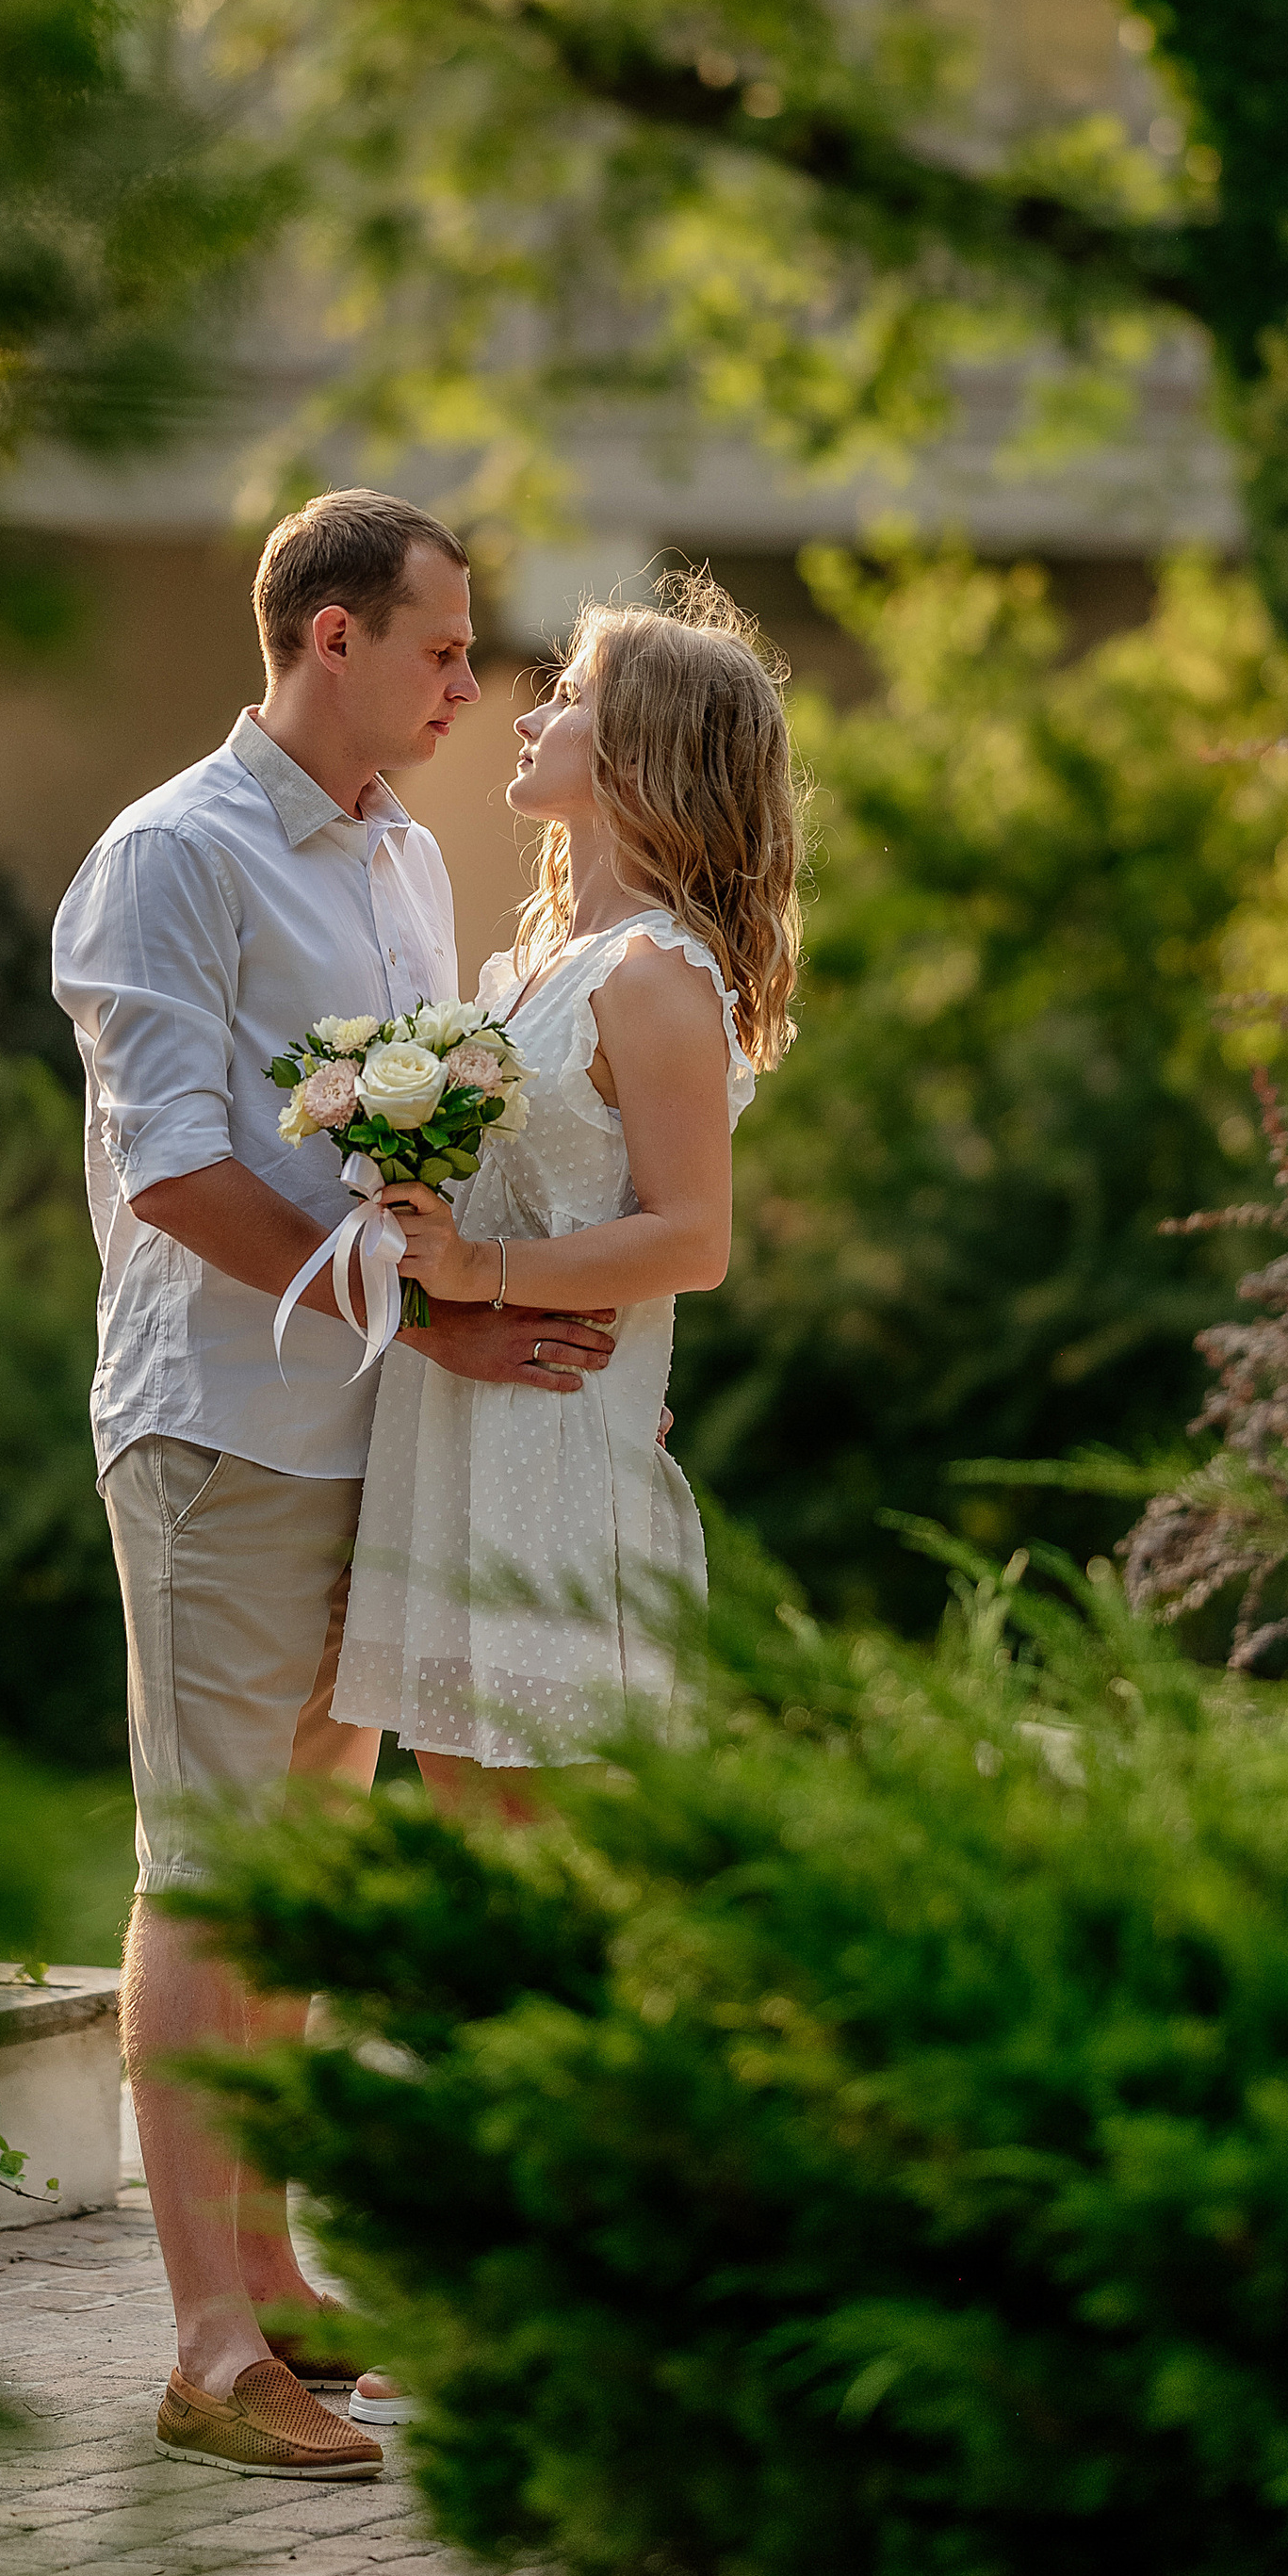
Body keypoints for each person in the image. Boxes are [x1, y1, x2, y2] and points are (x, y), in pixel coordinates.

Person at [50, 488, 615, 2482]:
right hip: (217, 1434)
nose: (471, 682)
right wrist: (427, 1311)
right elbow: (177, 1171)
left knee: (297, 1874)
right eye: (443, 648)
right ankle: (208, 2348)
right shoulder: (169, 856)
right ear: (330, 637)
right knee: (207, 1869)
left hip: (369, 1434)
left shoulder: (404, 857)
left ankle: (278, 2283)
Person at [338, 569, 803, 1802]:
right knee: (470, 1832)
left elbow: (693, 1238)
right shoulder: (539, 966)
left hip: (554, 1449)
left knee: (555, 1846)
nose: (533, 715)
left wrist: (474, 1270)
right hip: (458, 1433)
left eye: (573, 696)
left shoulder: (655, 973)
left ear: (644, 749)